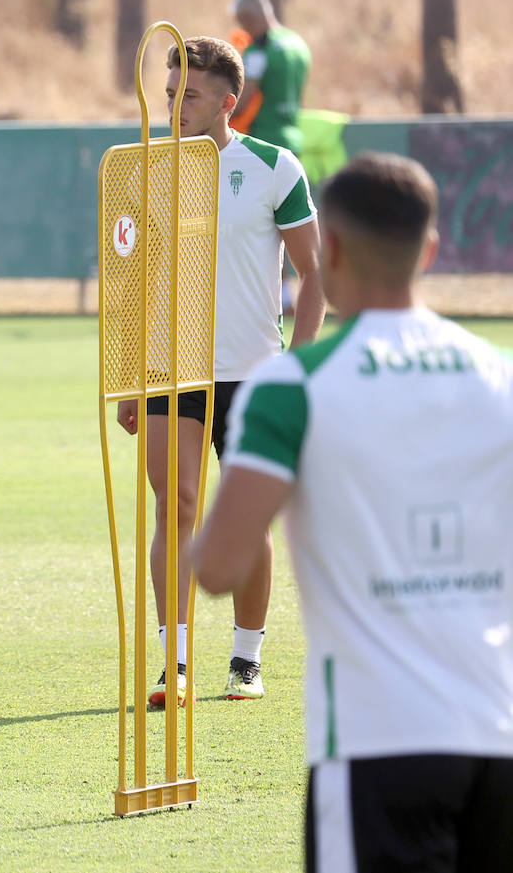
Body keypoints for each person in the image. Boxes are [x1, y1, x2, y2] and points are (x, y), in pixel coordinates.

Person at [192, 153, 513, 872]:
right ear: (429, 251)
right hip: (498, 734)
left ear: (327, 248)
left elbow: (218, 565)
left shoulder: (292, 387)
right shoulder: (500, 377)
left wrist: (182, 523)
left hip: (375, 744)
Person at [116, 36, 325, 707]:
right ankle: (173, 663)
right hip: (168, 369)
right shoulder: (146, 170)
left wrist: (302, 367)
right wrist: (129, 373)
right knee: (172, 505)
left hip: (255, 374)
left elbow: (315, 274)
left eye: (191, 94)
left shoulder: (273, 167)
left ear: (227, 103)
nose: (176, 103)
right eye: (170, 91)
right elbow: (137, 276)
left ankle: (245, 656)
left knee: (246, 521)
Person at [231, 0, 311, 155]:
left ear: (248, 18)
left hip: (264, 142)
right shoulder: (297, 43)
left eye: (242, 23)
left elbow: (241, 103)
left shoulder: (258, 50)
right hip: (294, 138)